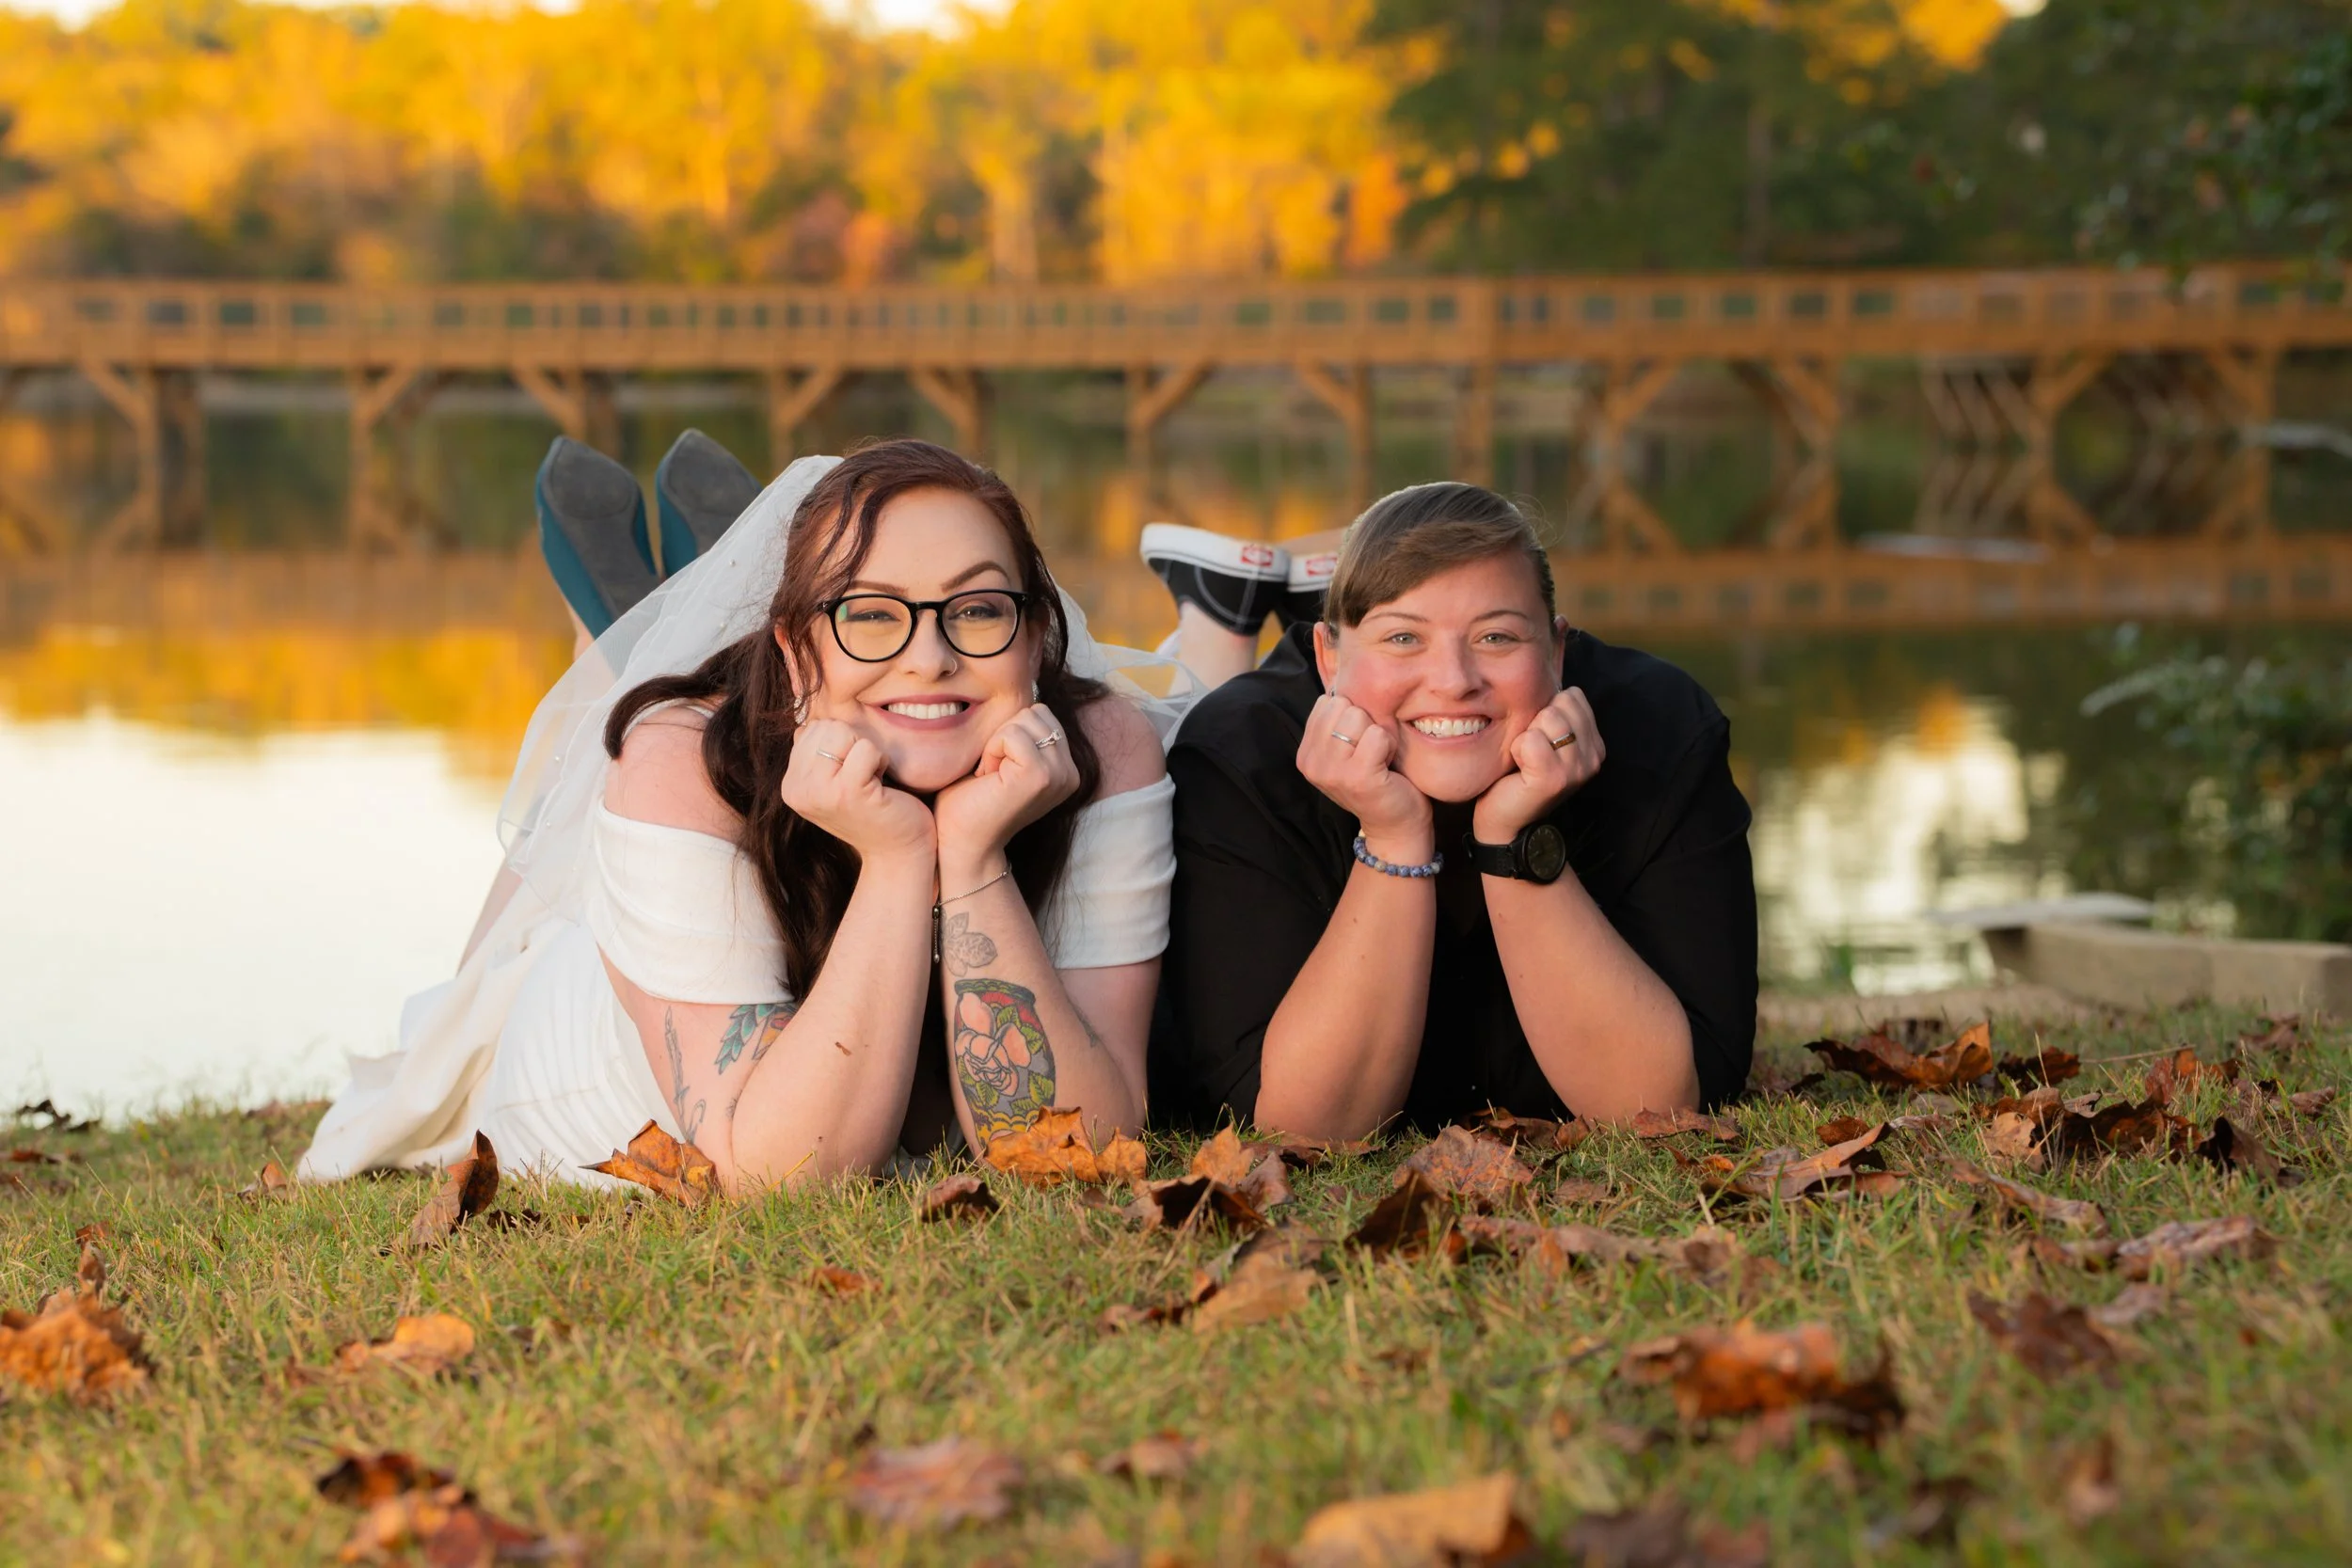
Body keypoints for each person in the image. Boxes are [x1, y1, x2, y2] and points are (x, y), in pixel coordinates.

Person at [301, 438, 1185, 1193]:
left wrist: (975, 853)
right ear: (797, 650)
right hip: (584, 1043)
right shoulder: (675, 768)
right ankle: (613, 648)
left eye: (980, 609)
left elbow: (1077, 1151)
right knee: (523, 920)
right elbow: (785, 1173)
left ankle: (634, 633)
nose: (931, 654)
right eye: (869, 614)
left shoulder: (1102, 745)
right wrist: (895, 857)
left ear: (1037, 635)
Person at [1149, 482, 1757, 1141]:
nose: (1455, 678)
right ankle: (1224, 620)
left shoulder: (1664, 731)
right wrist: (1392, 834)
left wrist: (1511, 839)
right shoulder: (1241, 757)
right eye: (1404, 637)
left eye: (1496, 635)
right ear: (1327, 658)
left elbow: (1657, 1107)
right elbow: (1309, 1130)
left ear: (1557, 652)